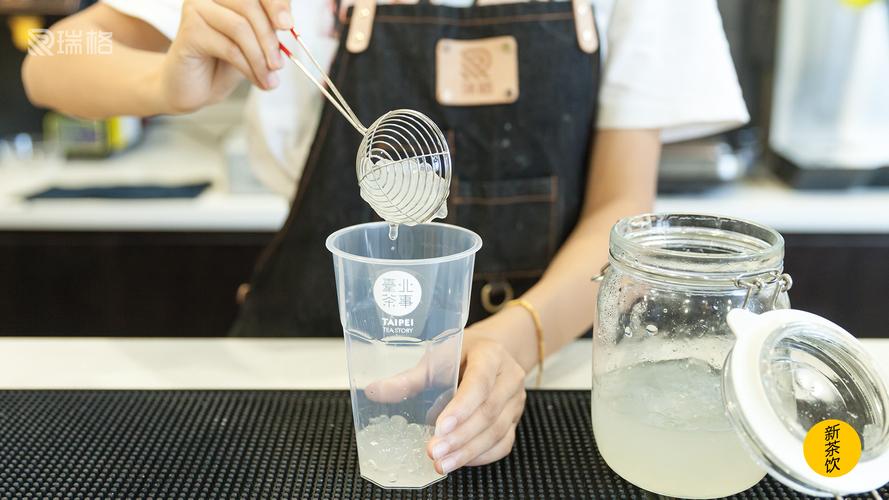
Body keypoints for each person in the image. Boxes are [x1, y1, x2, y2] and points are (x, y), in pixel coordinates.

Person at [22, 0, 748, 476]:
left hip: (539, 371)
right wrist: (164, 80)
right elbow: (52, 53)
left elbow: (620, 210)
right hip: (304, 377)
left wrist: (516, 339)